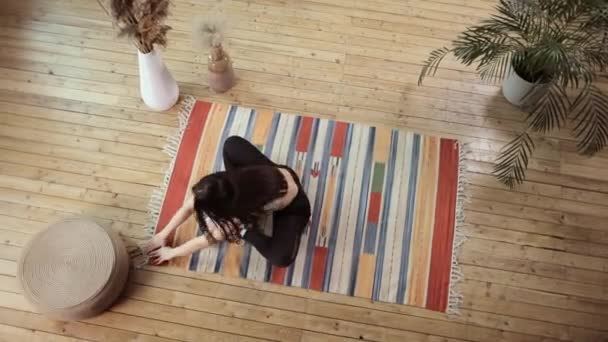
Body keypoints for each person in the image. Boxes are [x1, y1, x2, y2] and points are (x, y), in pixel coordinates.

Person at [143, 136, 311, 267]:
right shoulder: (225, 181)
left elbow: (204, 240)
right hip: (272, 178)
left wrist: (170, 253)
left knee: (280, 257)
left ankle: (246, 231)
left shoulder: (234, 218)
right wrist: (163, 235)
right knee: (231, 144)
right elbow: (188, 207)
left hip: (294, 205)